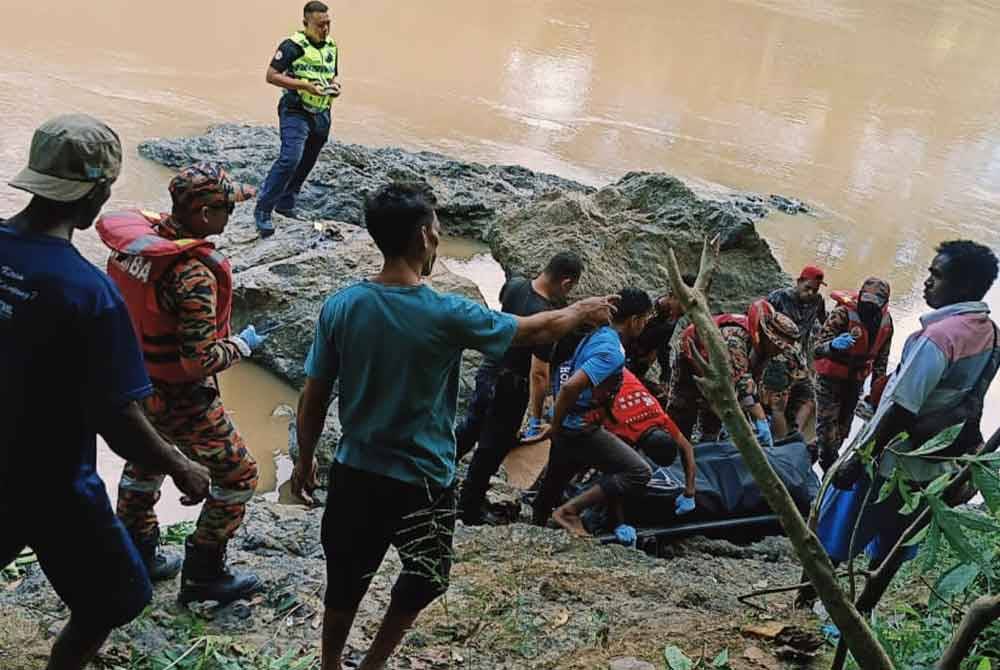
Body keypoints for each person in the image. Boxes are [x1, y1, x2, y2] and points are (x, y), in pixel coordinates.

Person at [289, 181, 615, 670]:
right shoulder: (445, 314)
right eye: (437, 231)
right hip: (422, 481)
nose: (438, 240)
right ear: (423, 238)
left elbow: (314, 396)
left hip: (355, 472)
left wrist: (305, 458)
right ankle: (372, 664)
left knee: (345, 578)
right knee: (424, 576)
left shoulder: (343, 305)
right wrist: (582, 310)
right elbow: (537, 331)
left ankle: (330, 664)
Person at [0, 114, 210, 670]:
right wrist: (182, 466)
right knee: (118, 597)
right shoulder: (88, 295)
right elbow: (119, 420)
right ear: (96, 194)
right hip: (51, 483)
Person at [98, 164, 267, 605]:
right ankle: (203, 575)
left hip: (135, 385)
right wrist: (241, 347)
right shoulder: (193, 275)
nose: (232, 217)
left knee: (146, 460)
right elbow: (198, 361)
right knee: (239, 476)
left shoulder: (134, 252)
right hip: (184, 398)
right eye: (227, 209)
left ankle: (137, 554)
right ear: (207, 214)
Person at [815, 242, 998, 571]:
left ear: (966, 285)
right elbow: (975, 398)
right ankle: (863, 607)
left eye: (937, 275)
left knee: (831, 540)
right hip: (932, 464)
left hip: (887, 462)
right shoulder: (991, 334)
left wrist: (859, 459)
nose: (927, 281)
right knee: (892, 548)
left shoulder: (937, 338)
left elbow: (901, 408)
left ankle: (806, 601)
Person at [454, 251, 583, 524]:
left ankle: (436, 472)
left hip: (489, 368)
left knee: (471, 427)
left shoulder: (516, 285)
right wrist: (536, 418)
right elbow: (539, 374)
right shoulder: (546, 319)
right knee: (490, 450)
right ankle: (468, 508)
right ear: (566, 283)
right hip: (510, 386)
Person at [532, 288, 656, 537]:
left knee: (556, 478)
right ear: (635, 321)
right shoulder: (612, 352)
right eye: (645, 319)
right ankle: (568, 512)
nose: (645, 324)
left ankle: (537, 526)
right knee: (638, 472)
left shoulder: (600, 333)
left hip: (570, 422)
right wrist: (555, 424)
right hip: (580, 427)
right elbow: (571, 386)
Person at [254, 1, 340, 238]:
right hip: (296, 109)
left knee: (308, 160)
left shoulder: (331, 46)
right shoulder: (292, 46)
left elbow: (332, 76)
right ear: (306, 23)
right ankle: (263, 209)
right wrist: (303, 85)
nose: (325, 29)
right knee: (290, 158)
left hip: (322, 112)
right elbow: (271, 76)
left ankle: (286, 203)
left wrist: (334, 87)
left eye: (328, 24)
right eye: (320, 25)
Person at [666, 299, 803, 446]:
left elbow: (749, 384)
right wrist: (761, 421)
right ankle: (673, 445)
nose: (779, 351)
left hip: (718, 369)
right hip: (690, 356)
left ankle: (708, 442)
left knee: (715, 414)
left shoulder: (764, 349)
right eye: (778, 346)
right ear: (767, 336)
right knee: (683, 406)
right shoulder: (735, 338)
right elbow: (742, 384)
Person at [589, 368, 697, 514]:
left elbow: (687, 448)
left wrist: (690, 492)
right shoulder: (623, 433)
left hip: (618, 369)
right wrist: (619, 523)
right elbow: (613, 476)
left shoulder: (660, 417)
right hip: (592, 377)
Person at [812, 277, 893, 472]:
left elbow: (881, 361)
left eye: (876, 301)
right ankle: (829, 467)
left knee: (842, 429)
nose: (870, 304)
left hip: (855, 380)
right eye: (866, 298)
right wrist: (832, 345)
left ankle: (811, 457)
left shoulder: (886, 322)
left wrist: (876, 395)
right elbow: (816, 349)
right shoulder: (843, 313)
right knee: (826, 427)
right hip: (830, 378)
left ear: (884, 303)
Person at [767, 265, 828, 433]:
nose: (810, 293)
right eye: (807, 288)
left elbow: (825, 323)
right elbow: (760, 321)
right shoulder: (779, 297)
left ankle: (796, 435)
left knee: (810, 398)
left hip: (798, 359)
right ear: (799, 281)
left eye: (814, 290)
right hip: (776, 357)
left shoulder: (817, 301)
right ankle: (775, 438)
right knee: (778, 403)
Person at [625, 274, 697, 399]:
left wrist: (665, 375)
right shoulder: (644, 304)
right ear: (672, 294)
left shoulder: (672, 318)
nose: (684, 312)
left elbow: (663, 347)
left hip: (637, 366)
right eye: (682, 305)